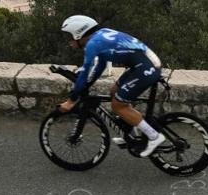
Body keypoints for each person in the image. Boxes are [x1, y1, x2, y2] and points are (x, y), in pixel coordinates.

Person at [57, 14, 166, 158]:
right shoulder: (99, 36)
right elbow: (98, 68)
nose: (68, 42)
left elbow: (85, 73)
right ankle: (130, 133)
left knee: (118, 105)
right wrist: (86, 85)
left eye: (69, 37)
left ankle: (154, 137)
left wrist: (71, 100)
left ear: (79, 33)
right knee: (114, 91)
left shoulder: (92, 45)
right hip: (143, 65)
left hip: (145, 67)